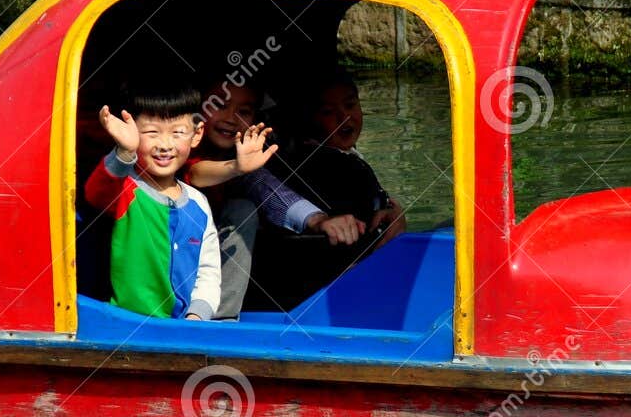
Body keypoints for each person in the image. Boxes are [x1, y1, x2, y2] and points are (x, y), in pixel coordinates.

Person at [186, 81, 373, 318]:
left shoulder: (246, 161)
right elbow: (195, 173)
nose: (232, 118)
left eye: (243, 111)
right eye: (220, 106)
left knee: (244, 209)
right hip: (180, 257)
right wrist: (236, 167)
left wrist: (317, 220)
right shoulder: (182, 149)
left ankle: (223, 318)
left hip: (212, 273)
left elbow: (269, 190)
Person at [249, 76, 406, 310]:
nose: (345, 118)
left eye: (351, 105)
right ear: (310, 119)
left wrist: (393, 210)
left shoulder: (342, 159)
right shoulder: (334, 167)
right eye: (328, 112)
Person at [82, 84, 219, 321]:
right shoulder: (125, 189)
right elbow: (96, 192)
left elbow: (208, 270)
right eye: (152, 133)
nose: (165, 145)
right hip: (122, 325)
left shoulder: (198, 203)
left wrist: (197, 316)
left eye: (177, 133)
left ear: (196, 135)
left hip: (184, 329)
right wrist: (124, 151)